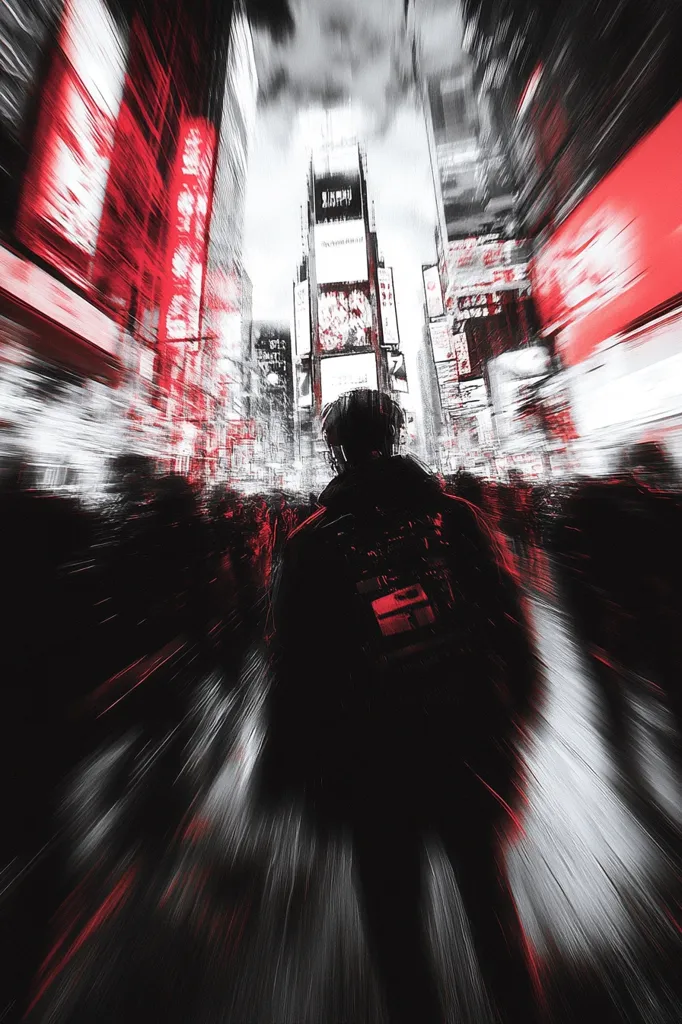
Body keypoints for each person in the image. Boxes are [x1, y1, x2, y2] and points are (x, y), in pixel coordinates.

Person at [260, 389, 542, 1024]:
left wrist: (287, 761)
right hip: (466, 741)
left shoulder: (311, 544)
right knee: (489, 906)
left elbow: (295, 668)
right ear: (396, 436)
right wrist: (513, 712)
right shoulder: (458, 517)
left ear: (337, 449)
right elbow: (511, 625)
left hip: (371, 764)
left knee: (396, 931)